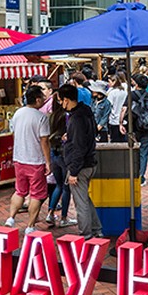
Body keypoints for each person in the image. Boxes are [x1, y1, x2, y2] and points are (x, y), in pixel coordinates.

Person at [5, 85, 51, 234]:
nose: (44, 100)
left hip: (19, 159)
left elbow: (13, 133)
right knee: (36, 194)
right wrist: (48, 162)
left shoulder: (18, 113)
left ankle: (11, 218)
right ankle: (30, 226)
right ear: (37, 100)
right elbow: (44, 141)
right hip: (35, 161)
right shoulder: (41, 118)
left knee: (20, 191)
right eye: (42, 97)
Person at [58, 84, 101, 240]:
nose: (61, 104)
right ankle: (96, 229)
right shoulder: (86, 112)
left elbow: (79, 147)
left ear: (67, 100)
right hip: (90, 163)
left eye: (61, 101)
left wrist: (74, 171)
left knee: (81, 203)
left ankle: (87, 234)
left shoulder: (76, 118)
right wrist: (69, 137)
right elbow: (88, 135)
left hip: (80, 166)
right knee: (85, 199)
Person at [45, 106, 75, 228]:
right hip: (64, 154)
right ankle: (64, 218)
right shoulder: (67, 117)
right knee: (66, 188)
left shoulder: (50, 117)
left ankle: (50, 213)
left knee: (59, 185)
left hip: (54, 153)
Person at [127, 74, 148, 181]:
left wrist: (121, 123)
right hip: (147, 127)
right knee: (144, 152)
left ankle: (133, 173)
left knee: (132, 150)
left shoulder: (131, 95)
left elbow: (124, 109)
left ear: (136, 84)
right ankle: (141, 176)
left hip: (133, 127)